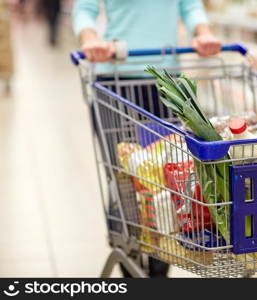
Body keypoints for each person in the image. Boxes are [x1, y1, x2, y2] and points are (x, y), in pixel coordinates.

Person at [72, 0, 221, 278]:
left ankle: (158, 267)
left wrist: (202, 32)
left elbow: (189, 6)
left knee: (166, 181)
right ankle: (130, 262)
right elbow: (85, 8)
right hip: (116, 81)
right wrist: (90, 39)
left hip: (167, 85)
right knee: (125, 179)